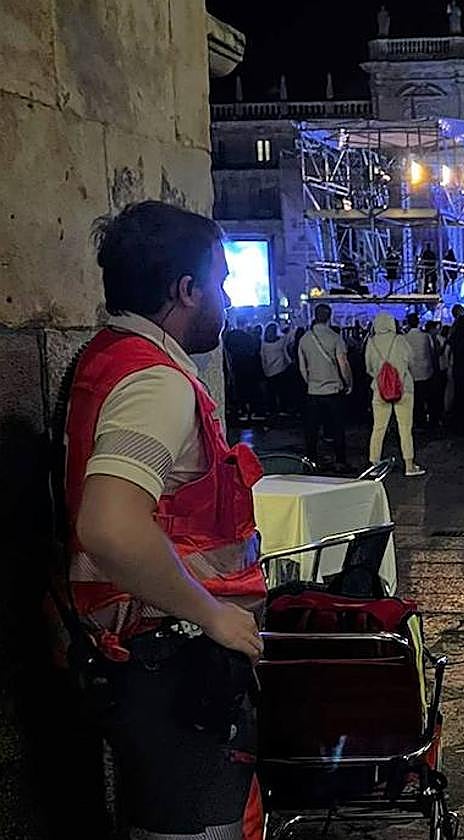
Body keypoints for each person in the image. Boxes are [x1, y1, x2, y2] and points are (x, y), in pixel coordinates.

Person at [62, 201, 264, 838]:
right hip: (172, 661)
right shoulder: (157, 384)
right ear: (185, 290)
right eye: (221, 282)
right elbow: (110, 526)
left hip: (139, 655)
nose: (226, 298)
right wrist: (214, 614)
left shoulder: (106, 358)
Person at [365, 311, 425, 476]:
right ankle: (409, 465)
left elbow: (368, 368)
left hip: (379, 390)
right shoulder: (400, 340)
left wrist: (380, 375)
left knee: (378, 428)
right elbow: (411, 361)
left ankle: (375, 464)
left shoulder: (371, 342)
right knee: (405, 428)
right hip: (404, 388)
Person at [297, 303, 352, 470]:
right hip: (333, 390)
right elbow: (343, 364)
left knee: (312, 430)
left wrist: (310, 382)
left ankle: (311, 460)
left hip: (313, 391)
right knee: (337, 428)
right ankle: (340, 461)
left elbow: (302, 367)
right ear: (330, 317)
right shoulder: (335, 338)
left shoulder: (305, 339)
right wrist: (348, 383)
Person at [403, 312, 437, 429]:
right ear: (418, 322)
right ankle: (429, 421)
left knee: (415, 399)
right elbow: (432, 352)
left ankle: (417, 420)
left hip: (411, 373)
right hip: (426, 371)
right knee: (427, 397)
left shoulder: (404, 338)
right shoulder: (426, 336)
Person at [260, 322, 290, 417]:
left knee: (271, 392)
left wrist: (265, 370)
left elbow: (262, 358)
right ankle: (283, 409)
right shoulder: (281, 342)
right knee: (282, 391)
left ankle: (272, 410)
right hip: (281, 368)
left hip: (269, 371)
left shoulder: (263, 344)